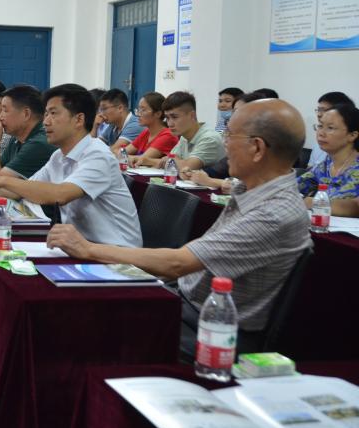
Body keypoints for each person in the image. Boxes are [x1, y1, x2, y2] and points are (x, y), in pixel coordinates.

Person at [47, 99, 313, 357]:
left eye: (230, 135)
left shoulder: (272, 213)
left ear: (257, 148)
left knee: (77, 320)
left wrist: (88, 249)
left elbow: (177, 263)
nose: (225, 143)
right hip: (188, 301)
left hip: (208, 327)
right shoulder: (252, 189)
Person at [0, 84, 142, 248]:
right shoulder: (59, 156)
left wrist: (2, 181)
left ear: (79, 119)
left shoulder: (98, 154)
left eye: (53, 113)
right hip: (78, 246)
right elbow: (26, 189)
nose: (46, 122)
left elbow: (61, 194)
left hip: (117, 253)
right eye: (46, 114)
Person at [0, 84, 56, 178]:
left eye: (5, 110)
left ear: (26, 114)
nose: (0, 117)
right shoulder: (16, 138)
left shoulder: (38, 143)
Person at [297, 103, 359, 217]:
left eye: (330, 128)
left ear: (352, 135)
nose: (321, 133)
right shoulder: (325, 165)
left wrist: (314, 202)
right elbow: (295, 186)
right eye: (320, 126)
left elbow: (356, 206)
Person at [157, 91, 225, 171]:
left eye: (174, 117)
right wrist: (174, 160)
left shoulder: (210, 138)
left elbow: (186, 167)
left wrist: (174, 160)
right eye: (167, 118)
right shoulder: (184, 137)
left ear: (192, 115)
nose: (169, 124)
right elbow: (170, 161)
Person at [123, 92, 178, 167]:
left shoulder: (168, 135)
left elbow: (142, 160)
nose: (138, 114)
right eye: (138, 110)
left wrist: (128, 157)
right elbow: (123, 153)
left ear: (158, 114)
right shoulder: (146, 132)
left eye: (143, 110)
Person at [308, 91, 354, 169]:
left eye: (330, 128)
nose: (319, 114)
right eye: (318, 110)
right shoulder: (321, 142)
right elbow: (310, 170)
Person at [96, 88, 143, 154]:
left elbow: (114, 151)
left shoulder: (135, 125)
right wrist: (95, 125)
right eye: (101, 110)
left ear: (120, 108)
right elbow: (93, 146)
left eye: (104, 109)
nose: (101, 114)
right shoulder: (113, 125)